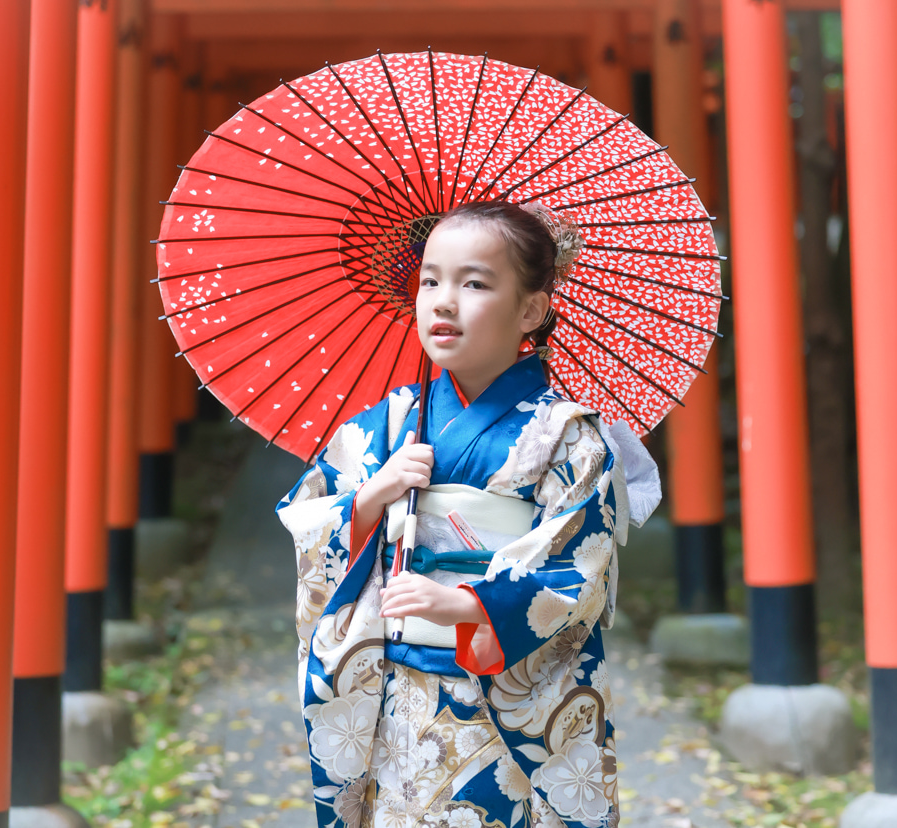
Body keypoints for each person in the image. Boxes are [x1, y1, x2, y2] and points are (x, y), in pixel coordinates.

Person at [276, 200, 660, 828]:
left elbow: (580, 564)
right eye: (430, 280)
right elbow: (311, 517)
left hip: (506, 690)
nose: (443, 301)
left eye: (474, 282)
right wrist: (374, 496)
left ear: (531, 309)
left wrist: (464, 605)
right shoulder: (393, 421)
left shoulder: (566, 436)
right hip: (399, 694)